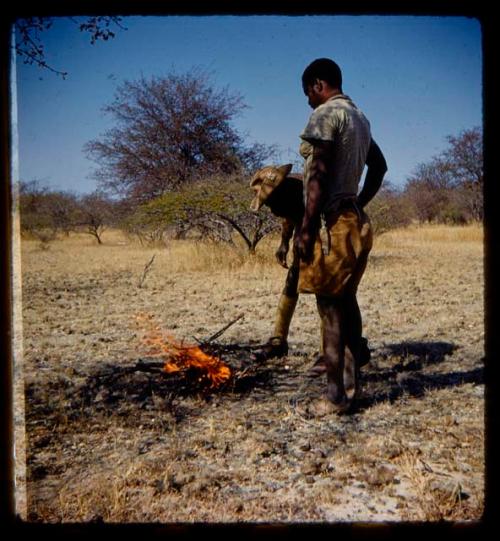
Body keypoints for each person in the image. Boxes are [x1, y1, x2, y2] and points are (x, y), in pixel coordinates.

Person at [294, 58, 387, 413]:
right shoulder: (360, 118)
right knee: (346, 301)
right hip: (355, 220)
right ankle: (350, 387)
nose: (307, 101)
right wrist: (357, 201)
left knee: (330, 306)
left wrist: (306, 224)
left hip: (334, 223)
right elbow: (379, 167)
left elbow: (317, 171)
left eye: (307, 93)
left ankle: (334, 396)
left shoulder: (326, 114)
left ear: (318, 84)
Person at [249, 164, 371, 371]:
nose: (271, 210)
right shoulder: (287, 196)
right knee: (291, 284)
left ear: (282, 193)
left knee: (326, 294)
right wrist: (284, 243)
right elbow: (290, 218)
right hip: (307, 240)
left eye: (270, 203)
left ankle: (333, 351)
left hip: (331, 239)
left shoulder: (310, 190)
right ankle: (278, 340)